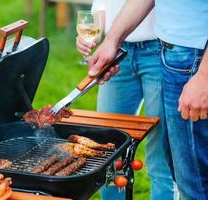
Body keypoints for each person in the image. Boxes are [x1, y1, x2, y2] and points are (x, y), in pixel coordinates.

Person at [87, 0, 208, 199]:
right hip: (170, 53)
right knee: (185, 175)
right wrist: (111, 40)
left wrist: (204, 75)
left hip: (189, 55)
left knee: (191, 178)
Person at [76, 1, 178, 199]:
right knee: (107, 150)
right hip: (115, 51)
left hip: (161, 49)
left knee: (160, 155)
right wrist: (97, 29)